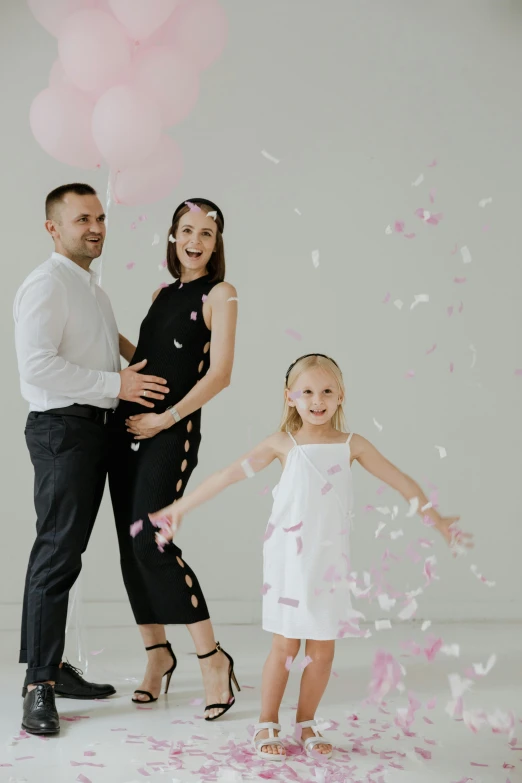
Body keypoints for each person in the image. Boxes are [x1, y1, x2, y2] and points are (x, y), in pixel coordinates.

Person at [150, 353, 473, 760]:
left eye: (326, 391)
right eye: (307, 392)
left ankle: (305, 722)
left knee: (322, 650)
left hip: (330, 561)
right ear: (290, 398)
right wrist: (180, 508)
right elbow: (225, 476)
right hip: (288, 558)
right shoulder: (282, 444)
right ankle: (267, 721)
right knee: (285, 646)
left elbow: (400, 480)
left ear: (341, 397)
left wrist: (437, 519)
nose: (317, 399)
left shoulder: (352, 445)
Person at [14, 183, 170, 736]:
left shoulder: (93, 291)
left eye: (100, 217)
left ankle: (52, 664)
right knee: (57, 552)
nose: (96, 227)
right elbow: (36, 367)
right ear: (53, 228)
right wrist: (116, 383)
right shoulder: (47, 284)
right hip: (63, 431)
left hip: (95, 429)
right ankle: (39, 685)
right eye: (83, 219)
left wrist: (157, 331)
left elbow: (106, 346)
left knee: (70, 551)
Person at [108, 198, 239, 720]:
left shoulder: (221, 294)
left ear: (216, 243)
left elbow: (221, 374)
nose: (196, 240)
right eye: (187, 230)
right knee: (127, 547)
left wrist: (166, 419)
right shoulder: (163, 293)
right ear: (172, 236)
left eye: (206, 233)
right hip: (125, 428)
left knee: (151, 542)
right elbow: (142, 357)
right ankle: (158, 655)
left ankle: (212, 659)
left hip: (170, 431)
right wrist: (95, 328)